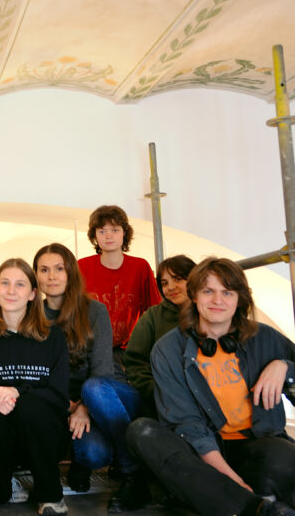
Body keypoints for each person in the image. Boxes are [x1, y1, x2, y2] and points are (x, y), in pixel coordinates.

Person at [127, 257, 295, 516]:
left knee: (284, 462)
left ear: (239, 299)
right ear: (194, 296)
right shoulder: (168, 349)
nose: (217, 300)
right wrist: (230, 480)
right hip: (199, 452)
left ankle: (212, 500)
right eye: (208, 291)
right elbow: (188, 425)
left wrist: (285, 368)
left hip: (255, 444)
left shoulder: (265, 337)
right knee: (141, 431)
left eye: (227, 292)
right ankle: (254, 508)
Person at [34, 243, 146, 512]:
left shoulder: (94, 310)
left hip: (101, 397)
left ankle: (132, 473)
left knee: (94, 387)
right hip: (61, 403)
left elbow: (103, 370)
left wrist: (83, 408)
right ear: (35, 275)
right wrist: (68, 407)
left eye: (59, 269)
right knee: (94, 453)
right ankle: (81, 462)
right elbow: (36, 375)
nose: (52, 276)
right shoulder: (32, 315)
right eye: (44, 270)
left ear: (71, 273)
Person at [0, 258, 69, 515]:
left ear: (33, 294)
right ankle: (2, 486)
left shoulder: (53, 337)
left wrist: (17, 392)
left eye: (20, 284)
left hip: (43, 435)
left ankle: (51, 494)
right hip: (0, 433)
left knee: (30, 407)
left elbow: (59, 397)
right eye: (5, 283)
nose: (11, 291)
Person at [77, 205, 161, 356]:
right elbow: (72, 309)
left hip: (129, 350)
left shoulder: (140, 267)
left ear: (124, 232)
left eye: (115, 230)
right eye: (102, 231)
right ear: (95, 235)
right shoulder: (82, 266)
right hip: (89, 349)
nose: (108, 236)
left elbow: (154, 311)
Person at [125, 254, 197, 418]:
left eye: (178, 279)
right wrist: (158, 391)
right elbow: (135, 362)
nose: (170, 287)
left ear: (195, 278)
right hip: (161, 405)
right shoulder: (152, 317)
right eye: (164, 283)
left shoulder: (210, 314)